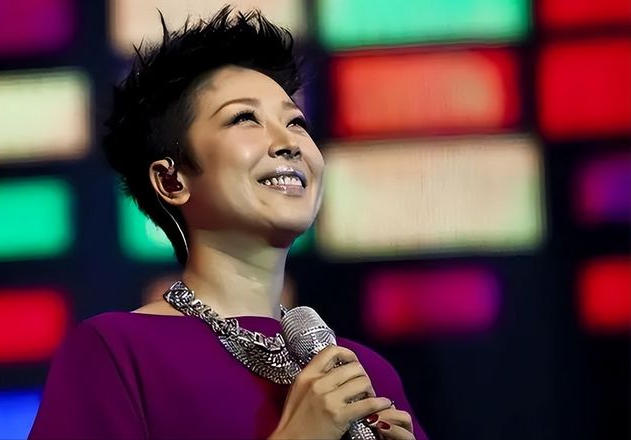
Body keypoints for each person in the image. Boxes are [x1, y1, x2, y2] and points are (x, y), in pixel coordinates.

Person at [28, 7, 428, 440]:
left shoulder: (366, 375)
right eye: (244, 118)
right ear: (171, 181)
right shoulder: (118, 352)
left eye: (296, 122)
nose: (289, 143)